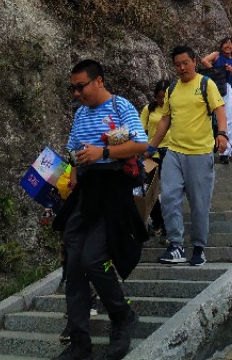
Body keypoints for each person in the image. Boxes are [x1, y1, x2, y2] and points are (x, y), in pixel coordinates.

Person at [53, 59, 148, 360]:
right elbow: (71, 148)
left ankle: (122, 316)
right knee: (73, 266)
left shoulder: (122, 107)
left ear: (99, 81)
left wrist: (102, 152)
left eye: (80, 87)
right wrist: (69, 171)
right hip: (84, 194)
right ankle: (80, 341)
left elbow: (141, 144)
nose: (76, 94)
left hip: (112, 193)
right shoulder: (80, 114)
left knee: (94, 259)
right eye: (73, 89)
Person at [146, 45, 228, 267]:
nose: (181, 68)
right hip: (174, 151)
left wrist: (222, 134)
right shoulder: (172, 89)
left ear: (194, 61)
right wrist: (151, 147)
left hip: (200, 153)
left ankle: (199, 248)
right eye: (177, 64)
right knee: (170, 196)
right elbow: (165, 120)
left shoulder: (205, 84)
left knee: (199, 204)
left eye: (185, 63)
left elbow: (220, 110)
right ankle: (176, 246)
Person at [200, 37, 232, 164]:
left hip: (227, 89)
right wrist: (216, 71)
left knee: (228, 119)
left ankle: (225, 152)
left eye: (230, 44)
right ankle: (209, 147)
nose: (228, 46)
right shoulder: (217, 55)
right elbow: (204, 61)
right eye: (226, 43)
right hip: (214, 87)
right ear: (221, 45)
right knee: (210, 118)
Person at [140, 79, 171, 235]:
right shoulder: (148, 109)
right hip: (152, 153)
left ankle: (167, 226)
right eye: (159, 97)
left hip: (171, 152)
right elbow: (140, 130)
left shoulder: (174, 110)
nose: (161, 101)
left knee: (168, 190)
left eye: (165, 97)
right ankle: (157, 221)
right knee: (149, 189)